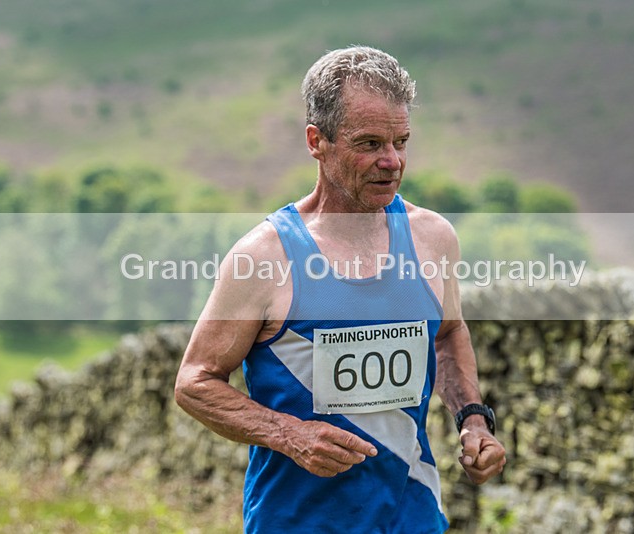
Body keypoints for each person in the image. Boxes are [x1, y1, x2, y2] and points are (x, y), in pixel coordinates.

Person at [175, 45, 506, 533]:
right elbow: (195, 382)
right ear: (317, 140)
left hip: (413, 516)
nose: (392, 161)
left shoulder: (432, 238)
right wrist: (290, 434)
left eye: (401, 142)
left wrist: (474, 421)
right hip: (296, 521)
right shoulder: (264, 257)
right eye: (370, 144)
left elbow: (448, 334)